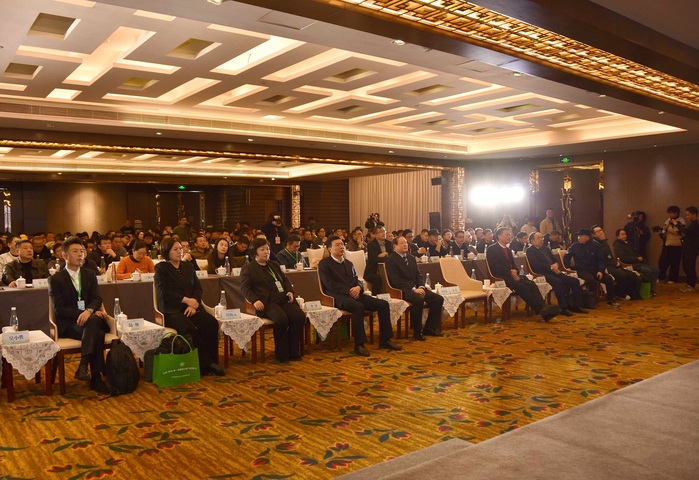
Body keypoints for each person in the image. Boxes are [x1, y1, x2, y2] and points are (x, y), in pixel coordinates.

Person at [48, 236, 111, 393]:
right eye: (75, 251)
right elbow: (59, 309)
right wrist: (83, 314)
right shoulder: (56, 279)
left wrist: (89, 311)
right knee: (97, 332)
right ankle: (95, 378)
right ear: (64, 255)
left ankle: (84, 366)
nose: (80, 254)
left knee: (94, 324)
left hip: (89, 320)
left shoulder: (89, 274)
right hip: (70, 324)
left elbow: (97, 298)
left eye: (82, 251)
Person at [319, 235, 400, 356]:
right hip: (338, 297)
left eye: (342, 244)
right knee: (358, 307)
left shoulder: (348, 263)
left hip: (355, 293)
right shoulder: (324, 264)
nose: (341, 247)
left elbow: (357, 280)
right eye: (337, 245)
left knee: (383, 304)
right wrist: (349, 291)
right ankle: (359, 344)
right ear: (330, 249)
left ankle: (385, 340)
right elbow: (330, 284)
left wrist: (358, 287)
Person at [154, 238, 224, 376]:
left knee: (210, 323)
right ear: (166, 252)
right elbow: (163, 292)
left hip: (191, 307)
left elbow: (197, 288)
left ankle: (212, 360)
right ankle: (206, 364)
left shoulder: (188, 266)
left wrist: (194, 303)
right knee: (189, 328)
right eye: (175, 249)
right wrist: (187, 301)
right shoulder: (161, 268)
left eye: (180, 248)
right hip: (172, 310)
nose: (179, 252)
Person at [241, 238, 304, 363]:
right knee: (281, 319)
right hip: (266, 302)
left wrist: (290, 291)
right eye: (262, 249)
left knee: (299, 316)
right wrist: (255, 300)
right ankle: (282, 354)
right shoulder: (248, 268)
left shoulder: (274, 265)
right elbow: (245, 288)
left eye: (268, 249)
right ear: (254, 252)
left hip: (282, 298)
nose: (266, 252)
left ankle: (293, 350)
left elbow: (285, 280)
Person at [487, 228, 560, 321]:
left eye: (509, 234)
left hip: (512, 275)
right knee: (523, 288)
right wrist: (511, 273)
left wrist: (516, 272)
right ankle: (541, 310)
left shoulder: (508, 250)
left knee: (531, 284)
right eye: (506, 234)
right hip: (501, 277)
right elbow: (495, 267)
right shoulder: (492, 249)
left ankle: (543, 306)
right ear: (499, 236)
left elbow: (513, 265)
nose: (509, 236)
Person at [386, 236, 444, 340]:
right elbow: (395, 280)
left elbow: (418, 275)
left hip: (417, 287)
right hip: (402, 289)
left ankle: (429, 328)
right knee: (418, 299)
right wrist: (413, 289)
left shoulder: (411, 258)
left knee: (438, 299)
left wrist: (421, 286)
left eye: (406, 243)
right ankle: (417, 332)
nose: (405, 245)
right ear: (394, 246)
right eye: (402, 243)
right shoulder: (391, 260)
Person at [526, 232, 586, 316]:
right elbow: (536, 264)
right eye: (538, 238)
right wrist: (551, 267)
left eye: (542, 238)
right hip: (542, 273)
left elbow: (555, 260)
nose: (541, 240)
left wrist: (556, 265)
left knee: (574, 281)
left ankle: (576, 305)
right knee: (558, 282)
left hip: (554, 271)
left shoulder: (546, 249)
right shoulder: (530, 250)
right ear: (532, 241)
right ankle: (563, 308)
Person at [564, 228, 617, 307]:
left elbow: (600, 260)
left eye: (580, 236)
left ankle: (611, 300)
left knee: (609, 279)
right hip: (581, 269)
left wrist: (600, 271)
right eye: (578, 236)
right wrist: (567, 267)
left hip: (594, 269)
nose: (578, 238)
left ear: (587, 237)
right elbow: (567, 257)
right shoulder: (574, 246)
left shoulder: (595, 246)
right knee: (590, 280)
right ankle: (590, 301)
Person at [592, 225, 641, 301]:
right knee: (622, 275)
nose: (601, 232)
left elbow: (609, 254)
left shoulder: (604, 242)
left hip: (612, 264)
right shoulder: (594, 244)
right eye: (598, 231)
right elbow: (602, 254)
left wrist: (615, 263)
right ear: (593, 235)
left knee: (631, 274)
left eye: (601, 230)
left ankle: (632, 294)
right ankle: (619, 293)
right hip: (604, 266)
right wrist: (604, 241)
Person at [613, 229, 659, 296]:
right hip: (630, 265)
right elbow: (623, 258)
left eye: (625, 234)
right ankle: (647, 290)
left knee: (655, 270)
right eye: (622, 234)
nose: (624, 236)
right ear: (618, 236)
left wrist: (639, 256)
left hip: (637, 263)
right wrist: (636, 259)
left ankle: (652, 288)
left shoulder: (628, 243)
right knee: (648, 271)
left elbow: (635, 252)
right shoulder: (617, 245)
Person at [657, 206, 685, 283]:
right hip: (667, 244)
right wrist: (662, 231)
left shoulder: (681, 221)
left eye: (671, 213)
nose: (670, 215)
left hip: (676, 245)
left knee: (674, 263)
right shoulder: (668, 220)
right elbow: (664, 230)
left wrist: (669, 227)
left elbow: (679, 232)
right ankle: (661, 277)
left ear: (676, 213)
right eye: (669, 213)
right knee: (662, 262)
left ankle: (672, 279)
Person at [365, 226, 393, 293]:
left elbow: (392, 257)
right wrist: (386, 257)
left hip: (387, 269)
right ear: (375, 235)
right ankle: (375, 296)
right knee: (377, 279)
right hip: (373, 271)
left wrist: (385, 254)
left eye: (384, 231)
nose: (384, 233)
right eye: (381, 232)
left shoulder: (389, 244)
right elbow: (373, 260)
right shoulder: (371, 245)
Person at [680, 206, 699, 293]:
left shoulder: (696, 224)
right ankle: (688, 283)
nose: (687, 216)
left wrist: (677, 225)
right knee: (686, 266)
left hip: (692, 249)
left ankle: (691, 285)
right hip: (687, 248)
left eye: (688, 215)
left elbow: (687, 232)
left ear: (694, 214)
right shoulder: (692, 224)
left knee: (690, 267)